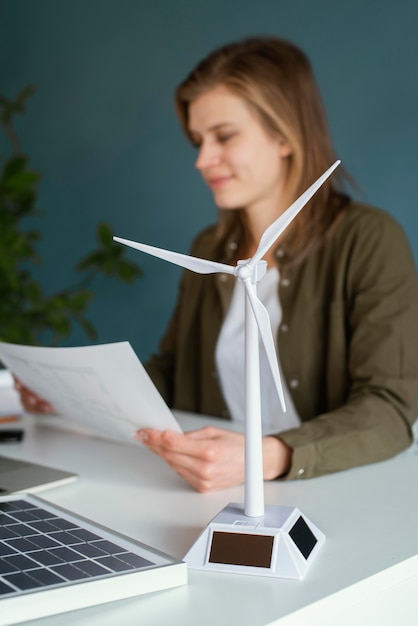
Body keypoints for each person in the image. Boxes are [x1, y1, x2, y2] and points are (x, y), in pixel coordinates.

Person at [16, 37, 418, 493]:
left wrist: (266, 456)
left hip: (327, 490)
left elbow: (389, 408)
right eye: (197, 141)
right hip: (203, 489)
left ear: (286, 134)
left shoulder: (368, 240)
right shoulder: (209, 249)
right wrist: (74, 393)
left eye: (224, 137)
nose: (203, 160)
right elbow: (171, 373)